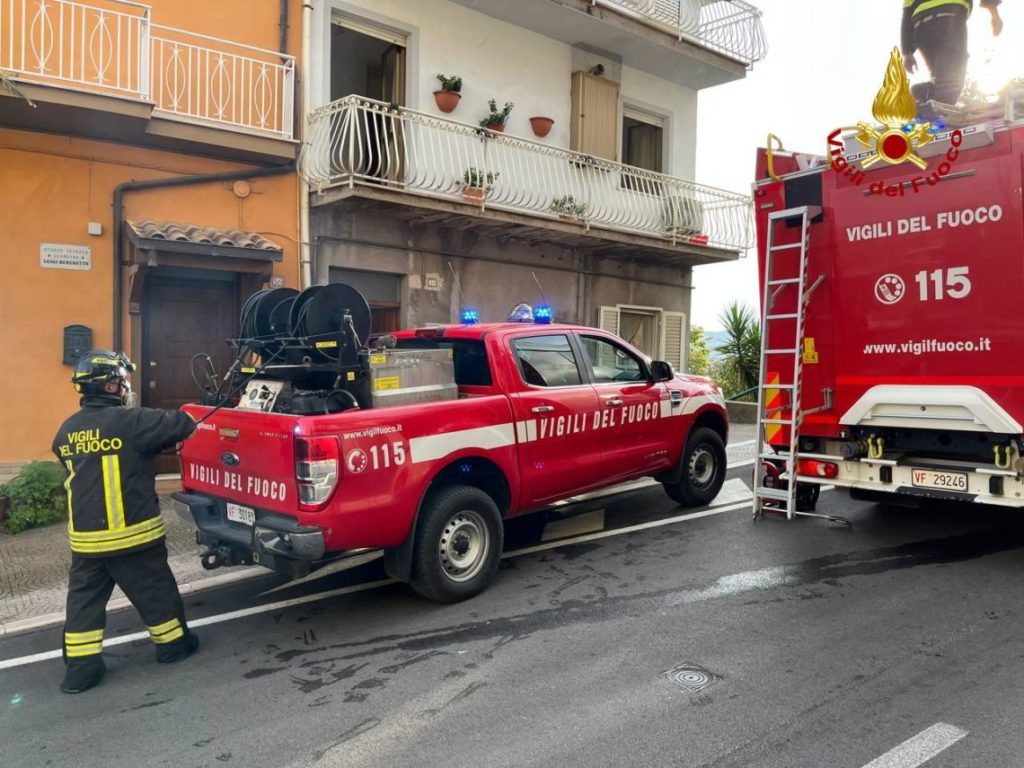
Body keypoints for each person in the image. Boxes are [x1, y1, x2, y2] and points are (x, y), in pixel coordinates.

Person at [51, 350, 198, 693]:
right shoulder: (131, 421)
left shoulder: (67, 431)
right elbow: (182, 424)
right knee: (155, 592)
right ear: (108, 384)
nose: (123, 387)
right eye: (120, 380)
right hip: (132, 535)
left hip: (86, 542)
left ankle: (80, 672)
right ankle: (173, 646)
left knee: (83, 604)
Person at [902, 0, 1004, 106]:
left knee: (940, 79)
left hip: (921, 30)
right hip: (949, 19)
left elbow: (907, 15)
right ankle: (938, 111)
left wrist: (907, 52)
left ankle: (923, 93)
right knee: (952, 81)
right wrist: (994, 13)